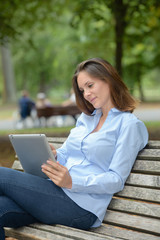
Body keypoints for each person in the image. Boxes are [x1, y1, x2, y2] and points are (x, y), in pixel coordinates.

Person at [0, 58, 148, 239]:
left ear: (108, 79)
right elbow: (68, 153)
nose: (86, 94)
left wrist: (72, 182)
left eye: (90, 85)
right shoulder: (86, 119)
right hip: (52, 193)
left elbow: (116, 179)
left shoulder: (129, 125)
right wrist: (54, 156)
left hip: (81, 206)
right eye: (82, 90)